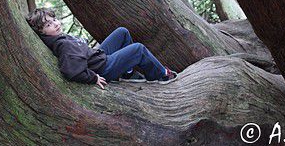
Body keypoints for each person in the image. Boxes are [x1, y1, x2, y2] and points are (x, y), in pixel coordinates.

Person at [25, 7, 177, 89]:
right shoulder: (63, 44)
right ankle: (161, 75)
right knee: (138, 49)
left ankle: (126, 73)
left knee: (122, 32)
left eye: (54, 19)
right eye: (48, 24)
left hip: (97, 57)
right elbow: (71, 71)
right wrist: (93, 78)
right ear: (41, 31)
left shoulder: (58, 38)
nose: (56, 24)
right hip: (102, 68)